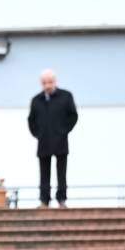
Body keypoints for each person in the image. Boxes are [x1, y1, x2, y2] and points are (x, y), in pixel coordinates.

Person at [28, 69, 78, 208]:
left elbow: (73, 116)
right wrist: (39, 134)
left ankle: (61, 199)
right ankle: (44, 200)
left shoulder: (66, 97)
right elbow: (31, 120)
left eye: (50, 82)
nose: (47, 85)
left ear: (55, 81)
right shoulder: (36, 100)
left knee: (61, 172)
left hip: (61, 141)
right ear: (41, 83)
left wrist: (63, 131)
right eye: (44, 83)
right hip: (43, 142)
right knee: (44, 173)